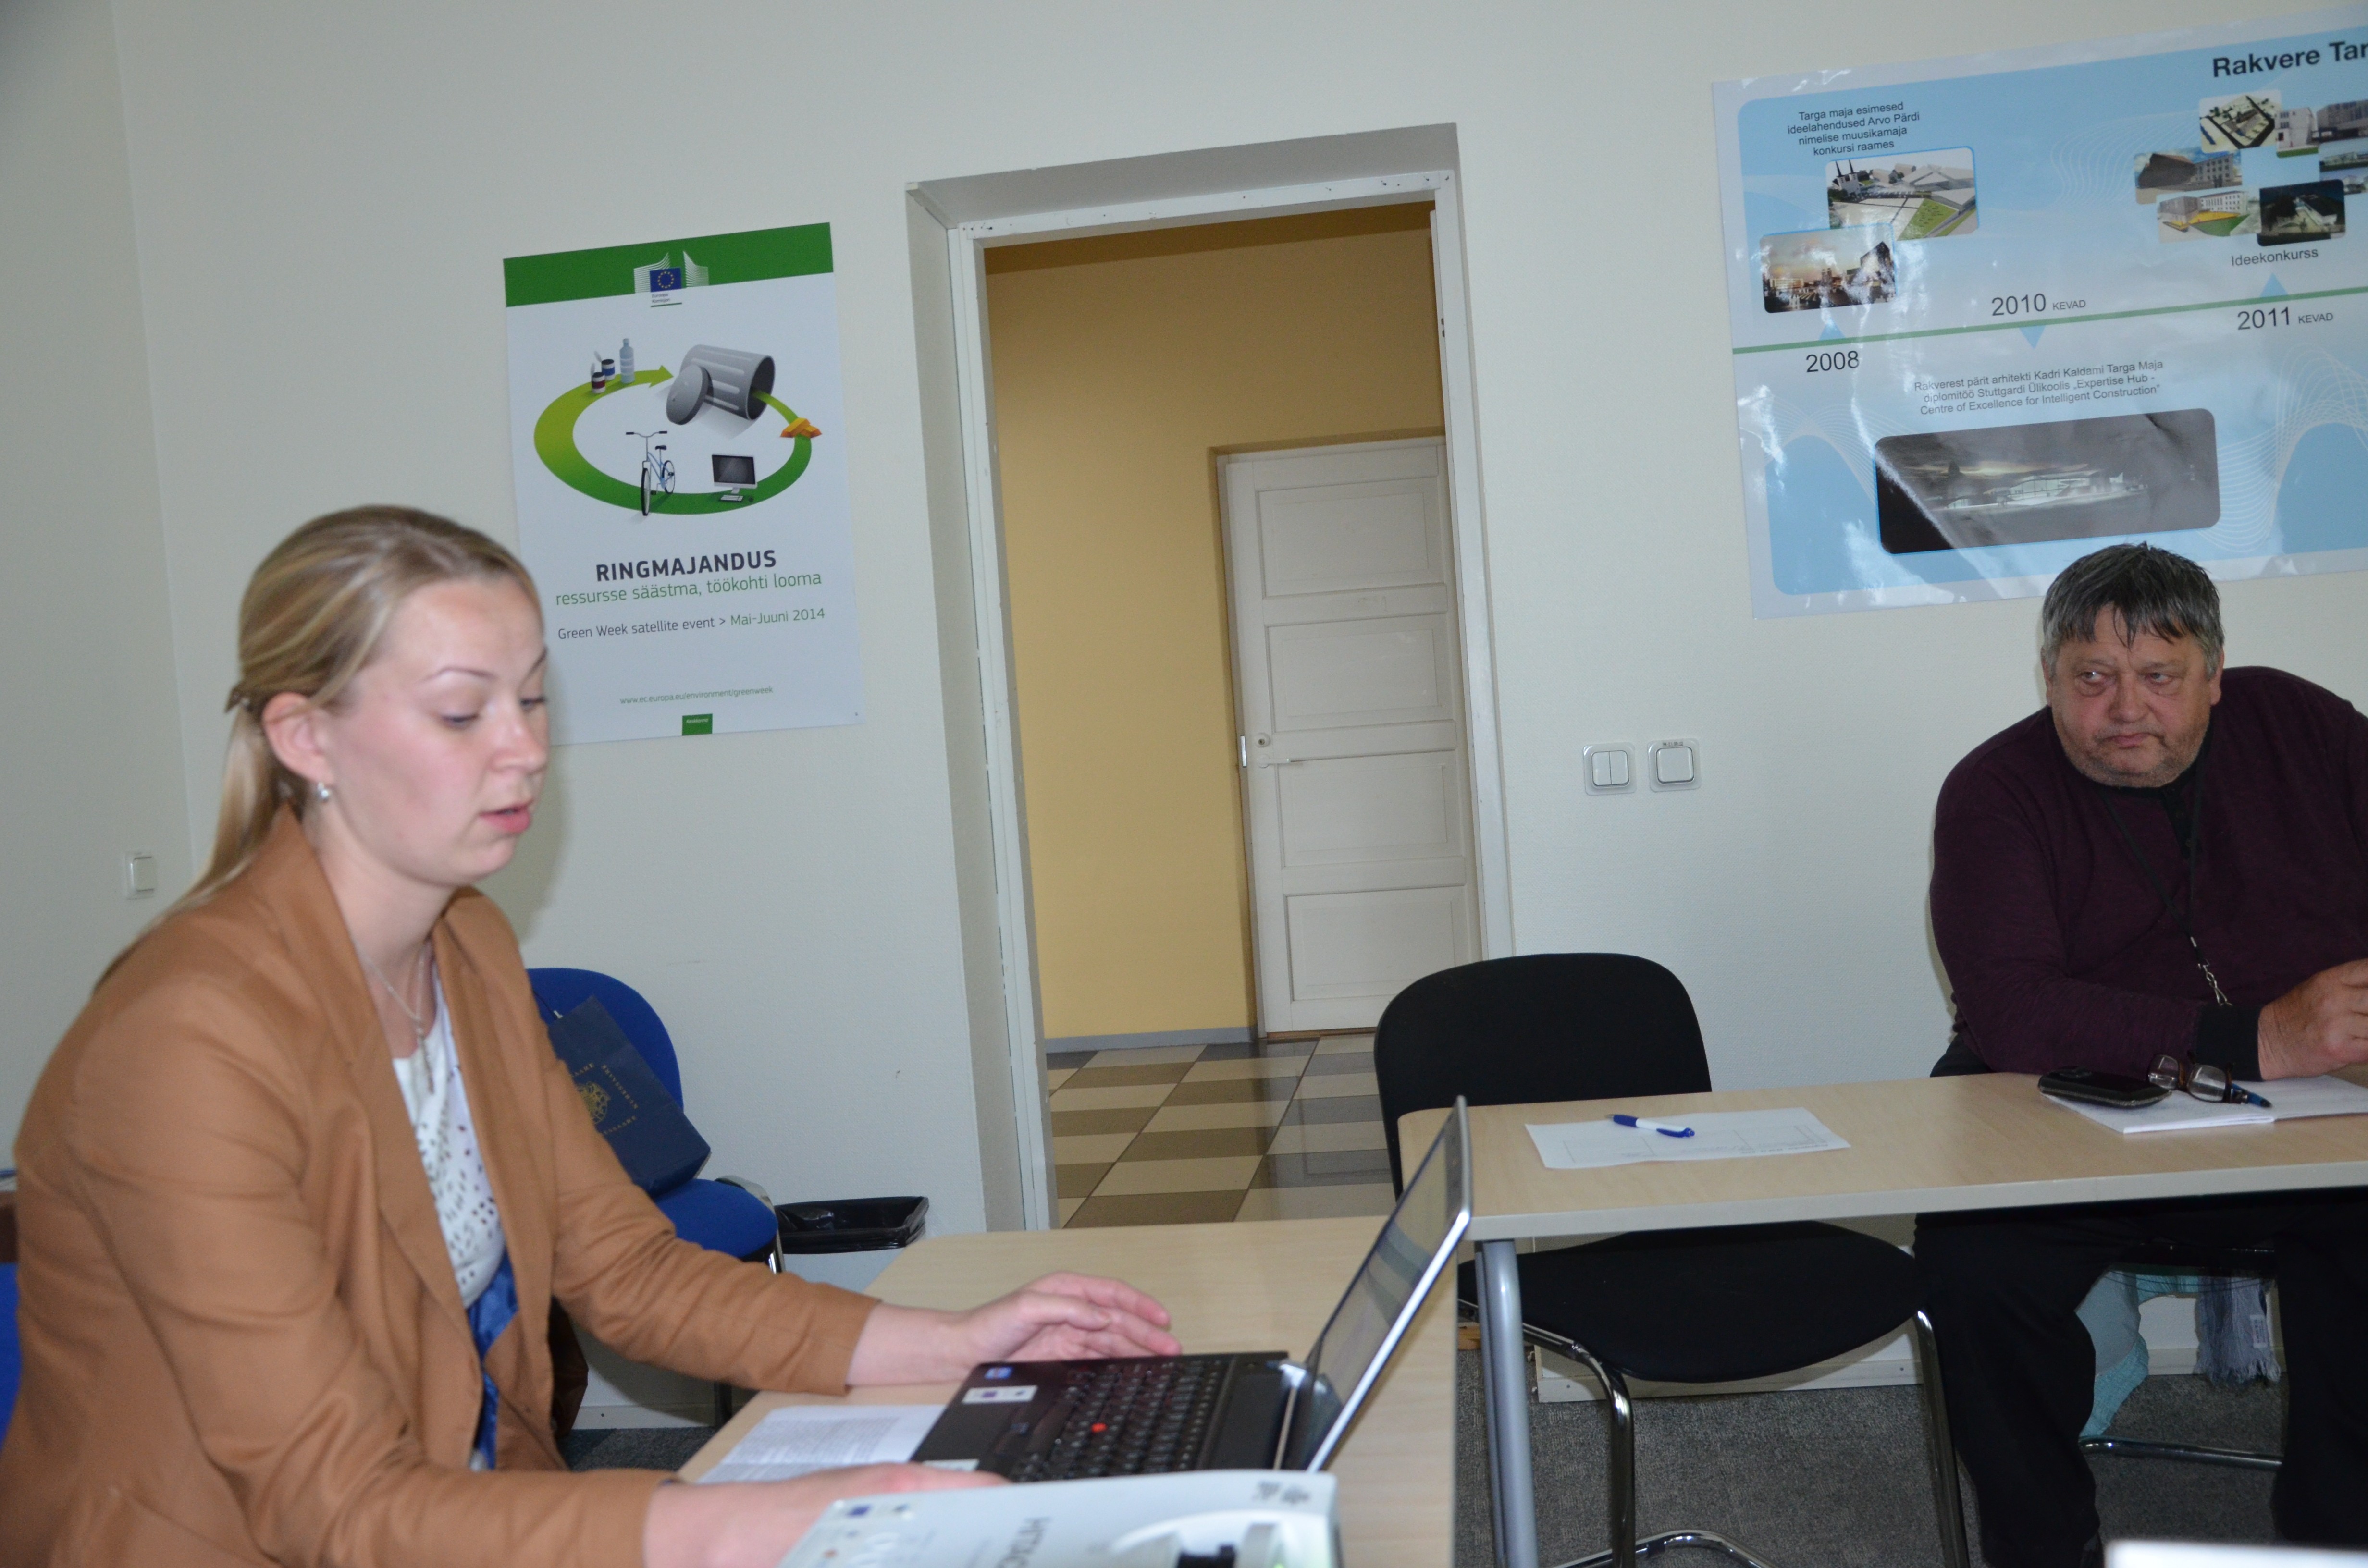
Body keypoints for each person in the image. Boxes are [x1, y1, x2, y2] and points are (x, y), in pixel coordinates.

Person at [0, 507, 1181, 1568]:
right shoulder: (187, 1045)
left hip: (457, 1514)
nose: (523, 749)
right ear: (306, 738)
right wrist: (730, 1526)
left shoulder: (467, 945)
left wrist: (955, 1343)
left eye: (530, 698)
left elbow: (627, 1271)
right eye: (461, 711)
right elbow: (333, 1504)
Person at [1917, 543, 2368, 1568]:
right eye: (2092, 678)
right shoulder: (1994, 791)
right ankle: (2045, 1544)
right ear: (2049, 677)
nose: (2126, 710)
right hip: (2069, 1108)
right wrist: (2259, 1037)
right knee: (1973, 1267)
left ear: (2215, 675)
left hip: (2311, 1113)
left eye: (2160, 676)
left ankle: (2339, 1537)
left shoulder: (2304, 728)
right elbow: (2011, 1012)